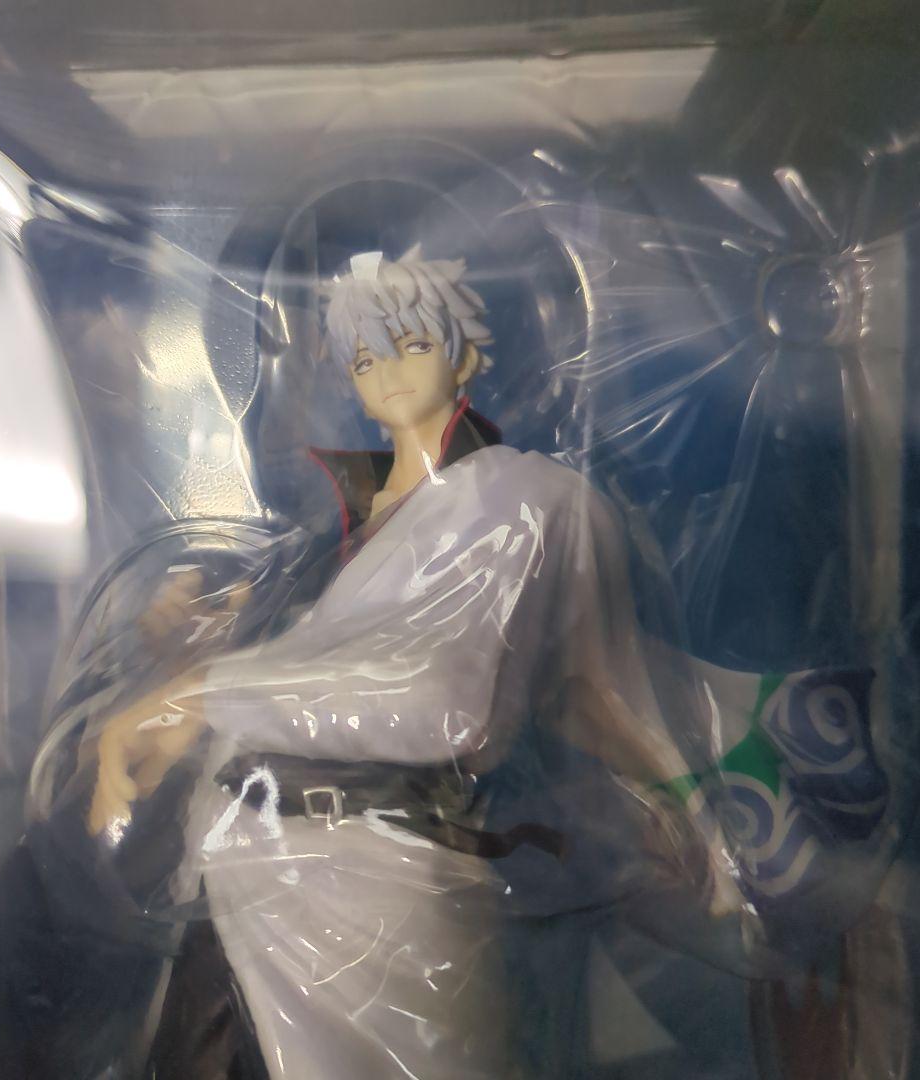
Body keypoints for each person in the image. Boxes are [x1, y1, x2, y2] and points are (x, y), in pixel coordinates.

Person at [83, 247, 707, 1079]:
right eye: (365, 358)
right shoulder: (333, 527)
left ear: (466, 354)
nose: (388, 374)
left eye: (412, 345)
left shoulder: (525, 498)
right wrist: (189, 644)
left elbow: (442, 699)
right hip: (235, 871)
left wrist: (205, 693)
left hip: (378, 887)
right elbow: (310, 655)